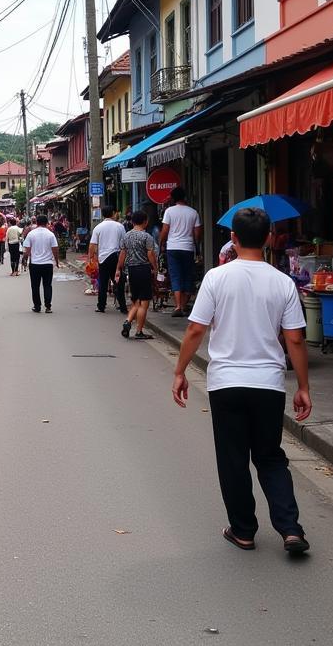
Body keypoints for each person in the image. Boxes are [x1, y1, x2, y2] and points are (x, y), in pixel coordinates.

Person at [172, 207, 312, 555]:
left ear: (233, 239)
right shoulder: (283, 282)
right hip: (268, 384)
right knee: (270, 456)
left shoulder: (217, 278)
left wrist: (180, 371)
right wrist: (304, 387)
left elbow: (195, 329)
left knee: (233, 458)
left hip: (226, 383)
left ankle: (244, 530)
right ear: (268, 239)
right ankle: (290, 529)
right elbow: (294, 339)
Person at [115, 210, 158, 340]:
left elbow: (122, 254)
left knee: (135, 301)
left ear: (132, 222)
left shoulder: (126, 236)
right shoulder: (147, 237)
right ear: (145, 222)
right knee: (144, 303)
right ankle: (139, 331)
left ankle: (128, 321)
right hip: (144, 269)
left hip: (131, 270)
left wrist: (118, 268)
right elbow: (150, 254)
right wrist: (155, 268)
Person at [160, 186, 202, 318]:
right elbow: (197, 233)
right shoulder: (193, 212)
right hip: (188, 248)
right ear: (185, 197)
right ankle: (183, 306)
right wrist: (197, 247)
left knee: (175, 275)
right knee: (187, 275)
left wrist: (161, 243)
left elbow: (165, 230)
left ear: (173, 198)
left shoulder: (169, 211)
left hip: (172, 247)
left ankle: (178, 306)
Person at [89, 205, 126, 314]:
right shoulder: (120, 226)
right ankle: (123, 307)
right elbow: (124, 244)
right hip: (116, 256)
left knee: (103, 283)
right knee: (118, 282)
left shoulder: (98, 227)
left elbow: (92, 245)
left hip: (103, 258)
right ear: (114, 213)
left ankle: (101, 306)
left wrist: (92, 259)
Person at [22, 213, 60, 313]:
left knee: (35, 286)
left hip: (34, 264)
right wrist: (56, 261)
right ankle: (48, 307)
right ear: (47, 223)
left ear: (37, 222)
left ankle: (37, 306)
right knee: (47, 285)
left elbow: (27, 250)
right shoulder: (50, 234)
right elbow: (55, 249)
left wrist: (24, 259)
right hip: (47, 264)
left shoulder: (31, 234)